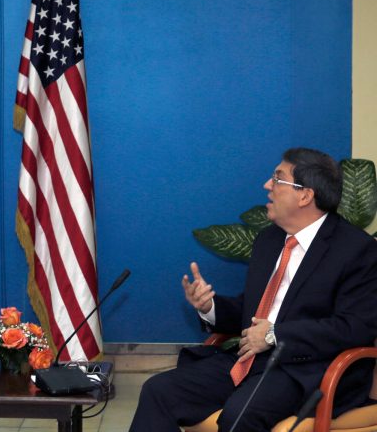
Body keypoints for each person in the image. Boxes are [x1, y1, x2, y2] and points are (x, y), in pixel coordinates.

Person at [130, 147, 377, 432]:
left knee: (240, 415)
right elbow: (254, 310)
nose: (267, 186)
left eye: (277, 179)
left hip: (309, 370)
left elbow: (354, 327)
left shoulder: (356, 249)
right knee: (159, 390)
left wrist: (275, 335)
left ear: (305, 195)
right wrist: (209, 308)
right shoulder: (269, 240)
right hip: (251, 361)